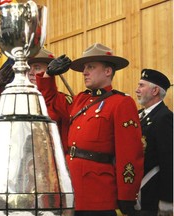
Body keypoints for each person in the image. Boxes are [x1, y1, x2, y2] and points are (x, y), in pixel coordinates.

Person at [35, 43, 144, 216]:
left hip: (98, 195)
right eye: (85, 67)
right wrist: (48, 75)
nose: (85, 72)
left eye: (91, 67)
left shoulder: (121, 103)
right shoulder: (80, 100)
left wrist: (127, 195)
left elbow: (129, 153)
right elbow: (51, 101)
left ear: (108, 71)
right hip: (71, 189)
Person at [0, 48, 72, 153]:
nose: (31, 73)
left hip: (50, 163)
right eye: (28, 69)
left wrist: (46, 78)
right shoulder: (18, 100)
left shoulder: (61, 100)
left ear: (53, 69)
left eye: (37, 68)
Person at [134, 69, 173, 216]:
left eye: (141, 85)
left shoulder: (164, 117)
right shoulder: (138, 115)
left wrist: (167, 199)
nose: (137, 90)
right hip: (137, 192)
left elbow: (168, 161)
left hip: (151, 194)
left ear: (155, 90)